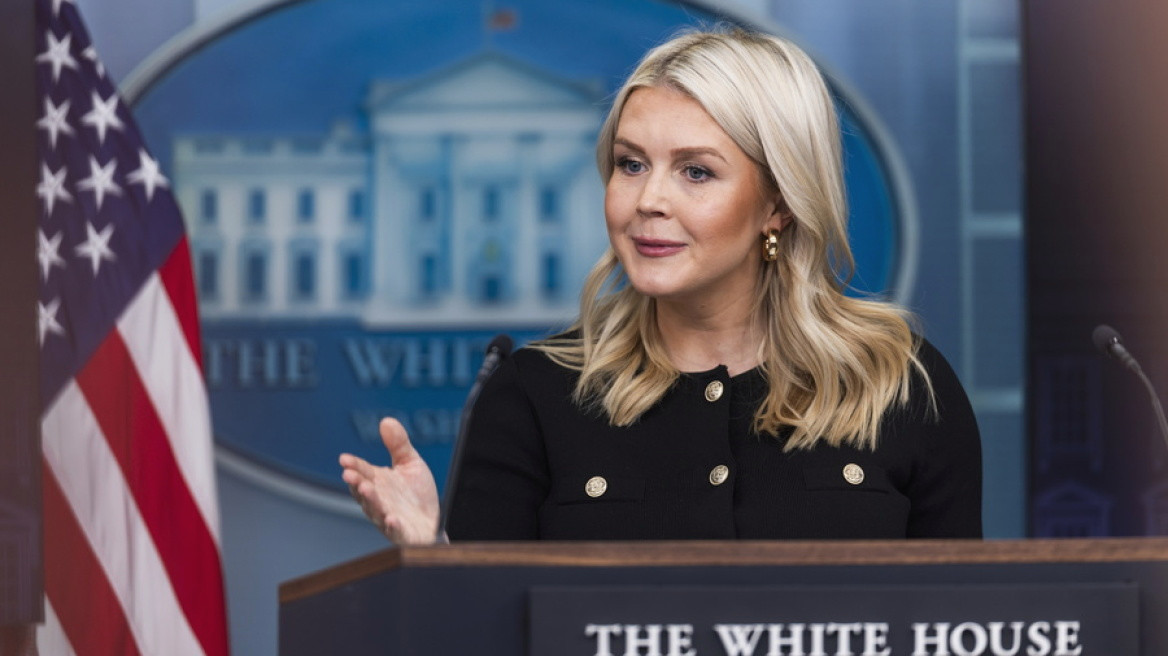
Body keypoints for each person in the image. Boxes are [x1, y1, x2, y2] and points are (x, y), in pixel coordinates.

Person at [339, 28, 982, 544]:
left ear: (780, 203)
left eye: (695, 172)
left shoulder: (899, 384)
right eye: (631, 164)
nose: (648, 200)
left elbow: (962, 623)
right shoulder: (531, 396)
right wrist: (433, 561)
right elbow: (488, 629)